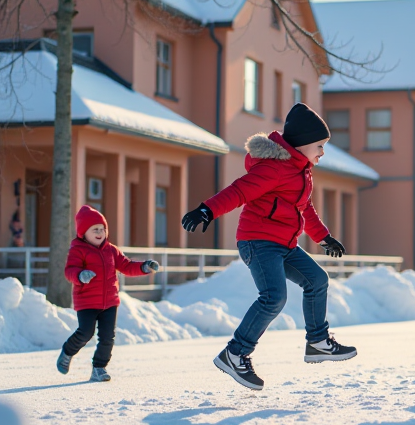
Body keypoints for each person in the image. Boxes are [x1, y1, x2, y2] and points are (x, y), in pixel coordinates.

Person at [182, 103, 352, 391]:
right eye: (320, 146)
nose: (323, 152)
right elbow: (239, 191)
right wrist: (206, 210)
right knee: (273, 297)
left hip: (284, 243)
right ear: (302, 145)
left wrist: (323, 238)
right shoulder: (274, 169)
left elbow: (304, 208)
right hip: (258, 241)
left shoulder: (301, 171)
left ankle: (317, 342)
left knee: (317, 280)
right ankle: (235, 353)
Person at [57, 205, 159, 381]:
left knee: (107, 338)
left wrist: (143, 267)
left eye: (102, 229)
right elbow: (69, 271)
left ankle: (99, 368)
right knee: (85, 332)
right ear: (83, 233)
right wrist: (81, 275)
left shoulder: (111, 250)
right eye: (94, 229)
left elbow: (126, 265)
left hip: (110, 302)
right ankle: (68, 351)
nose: (100, 232)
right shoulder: (78, 250)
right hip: (87, 301)